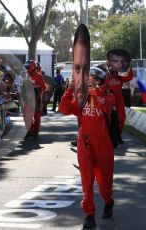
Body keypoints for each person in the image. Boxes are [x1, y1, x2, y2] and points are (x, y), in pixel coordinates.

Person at [60, 64, 115, 229]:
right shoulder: (82, 98)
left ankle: (108, 201)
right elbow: (64, 109)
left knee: (104, 182)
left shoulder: (108, 96)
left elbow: (105, 104)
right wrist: (70, 89)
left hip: (104, 144)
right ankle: (89, 214)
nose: (92, 80)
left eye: (97, 78)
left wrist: (95, 88)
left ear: (104, 80)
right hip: (85, 143)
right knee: (87, 181)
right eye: (91, 77)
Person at [106, 49, 133, 142]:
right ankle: (108, 137)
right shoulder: (106, 78)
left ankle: (118, 136)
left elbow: (129, 77)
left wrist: (129, 67)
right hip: (109, 102)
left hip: (119, 102)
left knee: (121, 119)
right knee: (108, 120)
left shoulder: (120, 79)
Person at [22, 59, 46, 140]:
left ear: (32, 67)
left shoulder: (39, 76)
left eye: (28, 67)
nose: (27, 69)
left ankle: (35, 132)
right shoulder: (26, 76)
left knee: (37, 117)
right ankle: (29, 131)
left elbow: (44, 87)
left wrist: (35, 86)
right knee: (26, 116)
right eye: (26, 67)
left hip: (36, 99)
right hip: (27, 99)